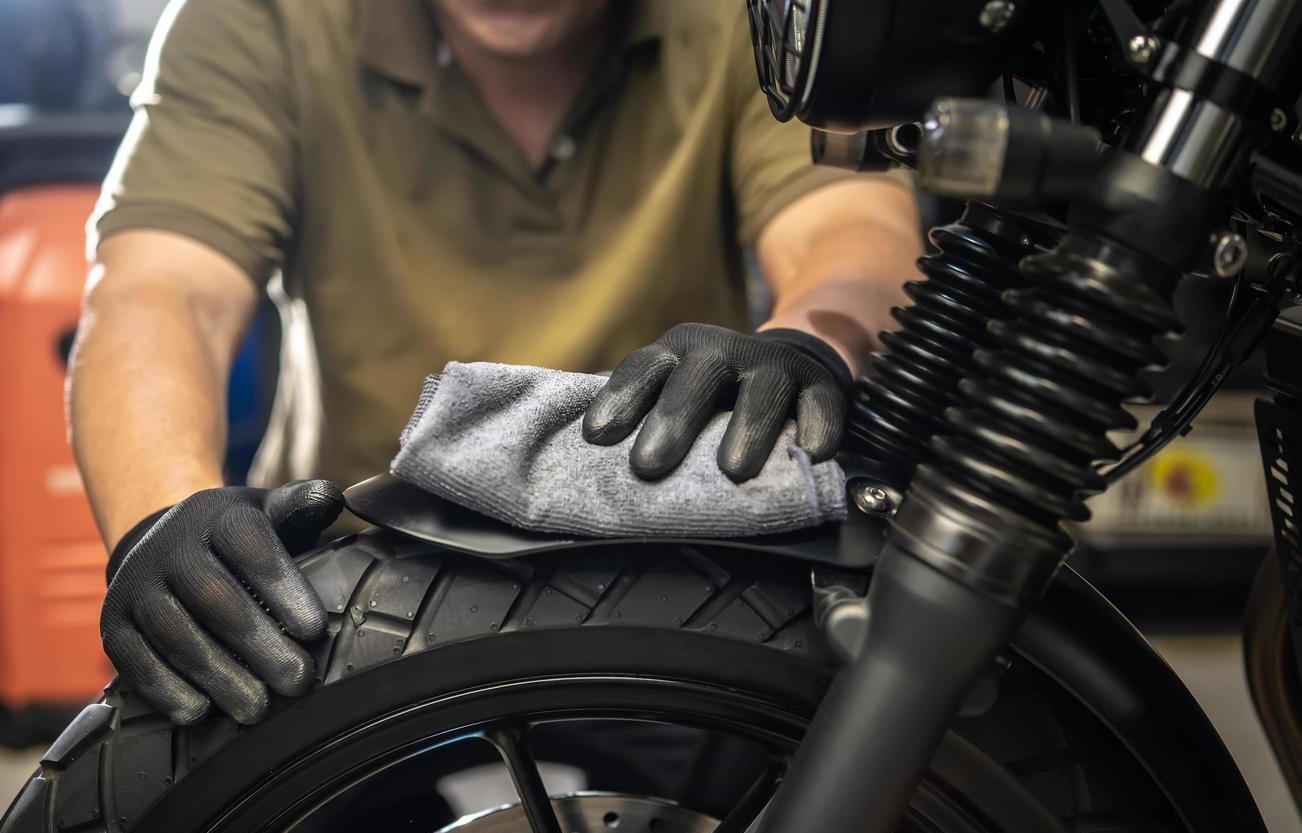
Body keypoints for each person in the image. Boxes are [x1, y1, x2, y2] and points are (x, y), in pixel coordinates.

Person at [74, 0, 923, 727]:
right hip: (335, 604)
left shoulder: (749, 16)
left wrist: (811, 338)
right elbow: (163, 290)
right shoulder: (263, 17)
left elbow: (848, 225)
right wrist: (164, 514)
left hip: (675, 597)